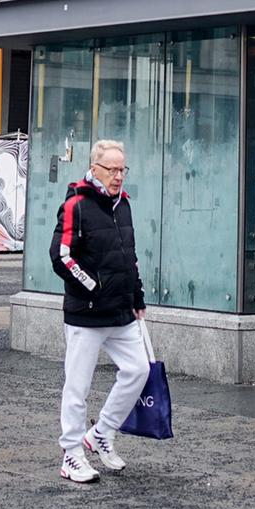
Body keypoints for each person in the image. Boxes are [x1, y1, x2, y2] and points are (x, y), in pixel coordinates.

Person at [49, 139, 148, 486]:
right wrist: (93, 287)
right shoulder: (76, 204)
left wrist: (137, 296)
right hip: (87, 313)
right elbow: (61, 255)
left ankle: (102, 432)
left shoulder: (124, 205)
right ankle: (71, 454)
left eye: (123, 169)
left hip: (121, 311)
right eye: (113, 169)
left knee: (138, 371)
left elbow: (129, 256)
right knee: (78, 387)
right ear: (95, 168)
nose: (119, 176)